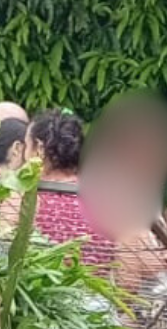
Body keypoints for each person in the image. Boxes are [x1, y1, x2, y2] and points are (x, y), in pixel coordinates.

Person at [23, 110, 115, 268]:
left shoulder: (26, 200)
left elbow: (2, 256)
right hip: (98, 290)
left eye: (26, 146)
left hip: (39, 290)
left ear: (39, 149)